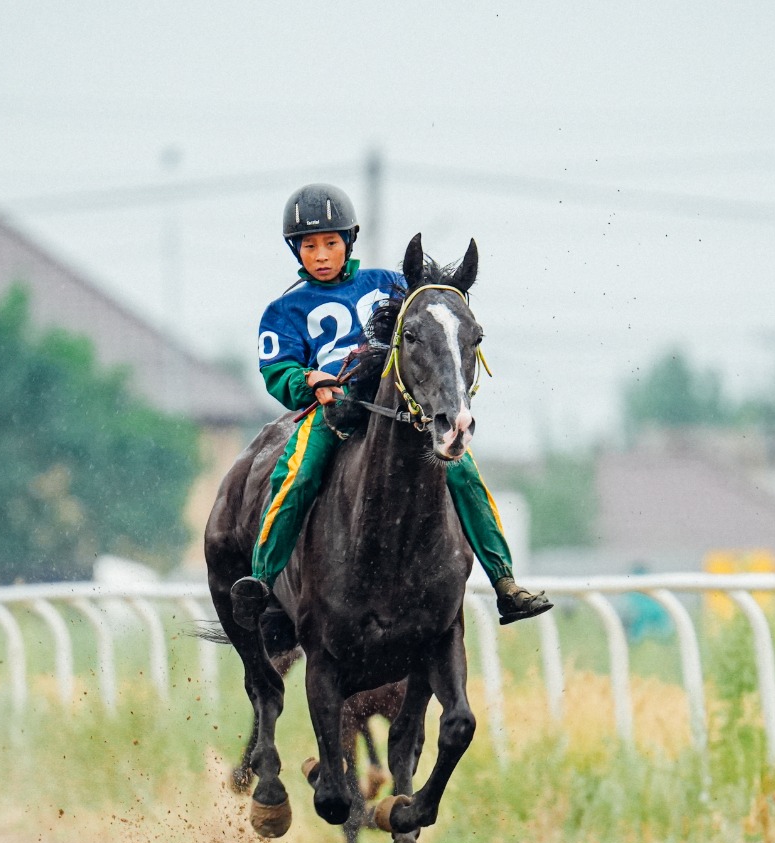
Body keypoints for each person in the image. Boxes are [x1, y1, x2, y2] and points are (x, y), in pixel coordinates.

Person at [229, 183, 554, 630]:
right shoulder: (283, 311)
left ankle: (506, 584)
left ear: (349, 242)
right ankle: (262, 580)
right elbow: (277, 371)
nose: (321, 255)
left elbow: (432, 325)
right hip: (334, 412)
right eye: (309, 246)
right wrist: (309, 381)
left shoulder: (388, 284)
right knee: (298, 474)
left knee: (463, 472)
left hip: (400, 409)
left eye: (330, 243)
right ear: (295, 250)